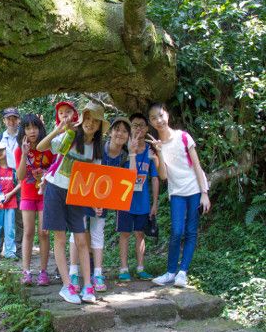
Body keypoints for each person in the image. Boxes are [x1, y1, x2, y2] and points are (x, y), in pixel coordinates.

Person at [37, 101, 108, 304]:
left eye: (96, 121)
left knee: (82, 239)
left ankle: (87, 286)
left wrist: (96, 202)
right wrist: (58, 129)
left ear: (99, 126)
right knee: (59, 238)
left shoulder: (96, 148)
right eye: (88, 118)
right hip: (55, 188)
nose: (91, 123)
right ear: (82, 119)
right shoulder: (70, 136)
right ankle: (67, 286)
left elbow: (95, 178)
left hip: (77, 195)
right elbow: (42, 147)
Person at [69, 116, 138, 292]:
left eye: (124, 131)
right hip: (84, 195)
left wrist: (132, 153)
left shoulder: (123, 156)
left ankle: (97, 273)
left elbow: (130, 180)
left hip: (103, 200)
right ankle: (73, 272)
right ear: (110, 131)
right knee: (77, 232)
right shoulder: (99, 147)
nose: (120, 134)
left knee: (97, 232)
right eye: (117, 129)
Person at [146, 103, 211, 288]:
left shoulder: (183, 137)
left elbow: (197, 166)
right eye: (153, 118)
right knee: (176, 232)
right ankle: (170, 272)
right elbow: (164, 176)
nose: (158, 120)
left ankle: (182, 273)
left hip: (194, 190)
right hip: (176, 193)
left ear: (167, 114)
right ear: (150, 121)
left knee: (191, 232)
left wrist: (204, 193)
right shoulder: (156, 146)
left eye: (160, 115)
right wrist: (158, 151)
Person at [117, 113, 159, 282]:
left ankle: (141, 268)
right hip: (124, 199)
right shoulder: (123, 150)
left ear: (147, 128)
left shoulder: (150, 151)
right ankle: (124, 268)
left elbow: (155, 178)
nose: (138, 129)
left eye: (141, 125)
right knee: (124, 233)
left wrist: (155, 203)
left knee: (140, 233)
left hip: (142, 201)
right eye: (134, 125)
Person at [15, 114, 55, 285]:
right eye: (28, 128)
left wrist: (45, 174)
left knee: (44, 233)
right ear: (23, 131)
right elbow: (20, 176)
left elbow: (55, 169)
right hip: (28, 195)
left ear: (40, 129)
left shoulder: (48, 148)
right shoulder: (19, 150)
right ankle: (26, 271)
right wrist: (24, 155)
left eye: (35, 127)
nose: (32, 131)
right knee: (29, 232)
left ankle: (43, 272)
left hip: (45, 195)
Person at [0, 107, 24, 258]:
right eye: (8, 118)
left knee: (19, 217)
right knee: (0, 216)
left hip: (19, 178)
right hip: (1, 180)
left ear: (18, 120)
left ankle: (17, 250)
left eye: (14, 118)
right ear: (4, 121)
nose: (11, 121)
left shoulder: (23, 136)